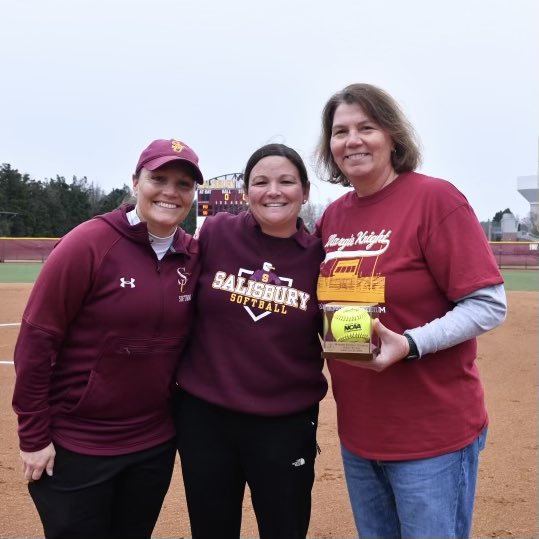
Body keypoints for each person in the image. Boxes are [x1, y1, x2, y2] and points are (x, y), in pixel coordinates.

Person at [314, 83, 507, 539]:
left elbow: (487, 303)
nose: (352, 140)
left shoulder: (434, 200)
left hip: (431, 437)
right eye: (340, 132)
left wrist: (413, 344)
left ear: (393, 137)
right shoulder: (333, 217)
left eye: (367, 127)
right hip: (361, 433)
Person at [12, 138, 203, 539]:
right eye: (159, 178)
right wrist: (33, 436)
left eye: (184, 184)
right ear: (136, 182)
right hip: (78, 445)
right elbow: (36, 341)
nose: (171, 191)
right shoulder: (89, 242)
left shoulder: (193, 254)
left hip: (152, 444)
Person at [174, 143, 328, 539]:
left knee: (284, 529)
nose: (273, 190)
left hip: (285, 420)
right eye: (260, 182)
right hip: (206, 416)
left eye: (286, 181)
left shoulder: (319, 257)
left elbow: (343, 328)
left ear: (305, 192)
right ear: (246, 193)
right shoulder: (217, 233)